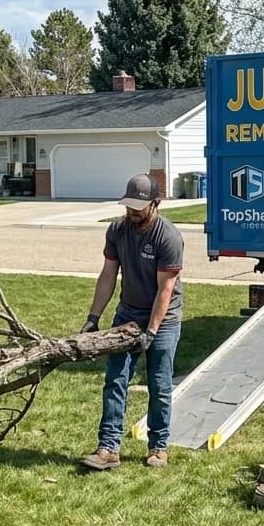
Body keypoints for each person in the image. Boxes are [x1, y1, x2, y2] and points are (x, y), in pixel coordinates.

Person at [80, 173, 184, 470]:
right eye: (129, 206)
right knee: (115, 379)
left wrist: (151, 331)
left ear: (156, 204)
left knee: (159, 384)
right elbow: (108, 275)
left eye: (139, 207)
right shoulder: (117, 230)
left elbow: (165, 290)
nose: (133, 212)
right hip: (127, 314)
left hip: (163, 319)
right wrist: (93, 319)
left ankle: (158, 447)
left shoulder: (168, 237)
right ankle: (108, 448)